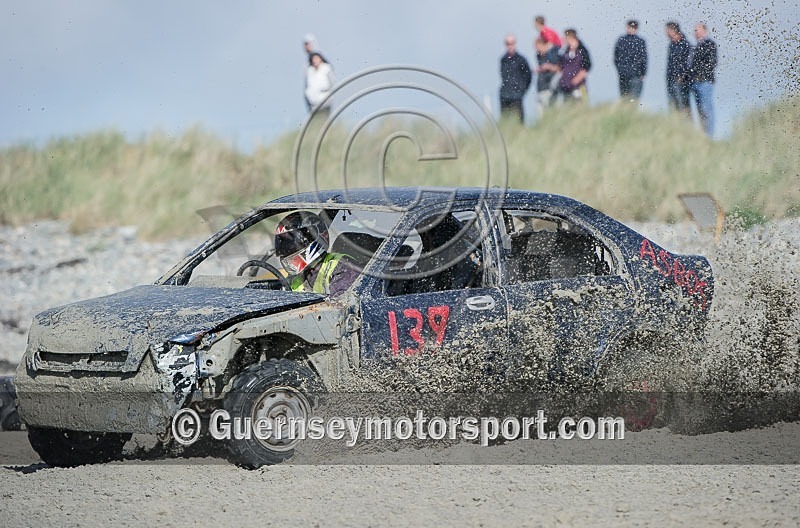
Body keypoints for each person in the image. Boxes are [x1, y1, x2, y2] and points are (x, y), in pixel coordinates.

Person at [274, 211, 358, 296]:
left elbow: (342, 305)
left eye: (290, 244)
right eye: (283, 244)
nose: (285, 250)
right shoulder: (295, 277)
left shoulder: (341, 267)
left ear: (312, 237)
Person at [689, 22, 718, 136]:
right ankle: (703, 134)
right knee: (700, 110)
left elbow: (712, 62)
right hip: (695, 82)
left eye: (697, 30)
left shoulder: (710, 44)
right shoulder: (695, 47)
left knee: (706, 109)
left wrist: (701, 74)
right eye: (694, 30)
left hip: (705, 82)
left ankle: (709, 136)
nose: (695, 32)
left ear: (704, 31)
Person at [499, 33, 532, 123]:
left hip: (517, 95)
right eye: (507, 43)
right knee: (505, 122)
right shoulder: (503, 59)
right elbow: (502, 75)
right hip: (504, 94)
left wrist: (522, 90)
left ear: (515, 43)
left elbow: (528, 76)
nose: (510, 45)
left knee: (519, 121)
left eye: (512, 43)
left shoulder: (521, 60)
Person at [613, 19, 648, 100]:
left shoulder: (621, 40)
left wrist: (620, 70)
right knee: (632, 100)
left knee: (626, 100)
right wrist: (643, 73)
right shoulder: (640, 42)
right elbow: (644, 59)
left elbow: (616, 58)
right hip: (633, 75)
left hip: (629, 75)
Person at [557, 29, 592, 103]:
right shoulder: (565, 51)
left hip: (579, 86)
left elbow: (587, 67)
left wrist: (576, 80)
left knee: (581, 106)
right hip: (566, 86)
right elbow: (560, 66)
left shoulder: (582, 50)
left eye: (565, 37)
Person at [665, 21, 692, 116]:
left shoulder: (685, 44)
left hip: (681, 81)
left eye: (667, 30)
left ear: (673, 30)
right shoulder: (671, 45)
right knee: (673, 105)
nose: (666, 32)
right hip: (671, 79)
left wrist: (682, 76)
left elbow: (688, 63)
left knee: (683, 105)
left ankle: (687, 127)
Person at [534, 37, 560, 114]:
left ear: (543, 45)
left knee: (551, 113)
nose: (537, 49)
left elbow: (559, 68)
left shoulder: (552, 54)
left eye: (537, 47)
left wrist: (549, 66)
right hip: (541, 88)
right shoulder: (539, 56)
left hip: (550, 88)